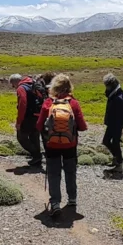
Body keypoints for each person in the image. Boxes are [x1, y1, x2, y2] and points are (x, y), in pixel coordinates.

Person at [36, 74, 88, 216]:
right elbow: (83, 126)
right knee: (70, 171)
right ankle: (72, 199)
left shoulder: (48, 103)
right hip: (70, 144)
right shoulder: (73, 104)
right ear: (69, 86)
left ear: (54, 87)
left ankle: (55, 203)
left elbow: (39, 125)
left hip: (51, 145)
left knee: (54, 173)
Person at [10, 74, 46, 168]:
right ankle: (36, 160)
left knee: (21, 137)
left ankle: (36, 155)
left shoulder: (21, 88)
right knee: (34, 136)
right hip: (38, 115)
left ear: (15, 82)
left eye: (13, 85)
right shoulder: (32, 84)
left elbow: (22, 104)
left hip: (28, 116)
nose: (13, 87)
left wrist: (19, 122)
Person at [101, 73, 123, 175]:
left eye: (107, 85)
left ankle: (119, 164)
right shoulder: (115, 94)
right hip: (114, 124)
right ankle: (117, 159)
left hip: (116, 124)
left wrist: (111, 123)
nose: (106, 88)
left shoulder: (117, 97)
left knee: (113, 143)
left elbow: (118, 114)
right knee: (109, 141)